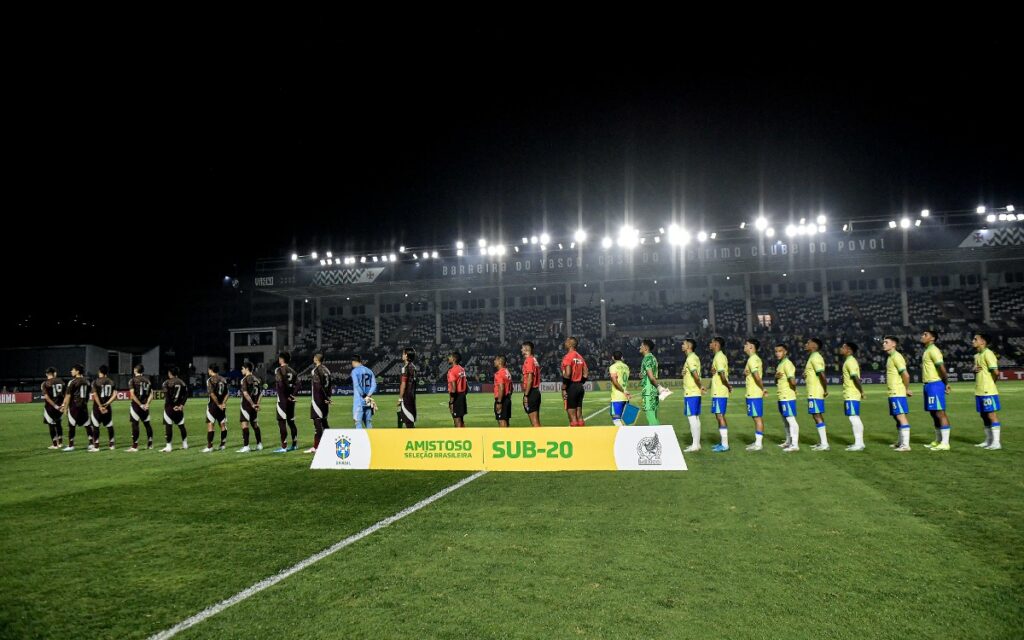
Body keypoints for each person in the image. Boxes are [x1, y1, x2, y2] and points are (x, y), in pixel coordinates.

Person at [920, 330, 952, 451]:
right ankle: (938, 440)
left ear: (932, 338)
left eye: (925, 335)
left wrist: (946, 383)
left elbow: (942, 368)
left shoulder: (933, 350)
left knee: (940, 412)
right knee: (934, 413)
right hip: (928, 385)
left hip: (935, 384)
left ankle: (945, 442)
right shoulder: (927, 350)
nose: (922, 336)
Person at [972, 333, 1002, 450]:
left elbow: (996, 372)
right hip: (979, 390)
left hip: (988, 390)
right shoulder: (977, 356)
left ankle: (996, 442)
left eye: (975, 339)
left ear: (983, 342)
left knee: (991, 415)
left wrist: (991, 384)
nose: (972, 341)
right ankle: (988, 440)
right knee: (984, 415)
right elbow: (979, 370)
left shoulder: (988, 354)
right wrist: (974, 369)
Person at [883, 335, 913, 452]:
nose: (883, 344)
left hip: (897, 392)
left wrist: (906, 389)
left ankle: (906, 445)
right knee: (897, 417)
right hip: (892, 392)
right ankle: (900, 442)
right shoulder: (890, 357)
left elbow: (906, 375)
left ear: (893, 344)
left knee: (901, 416)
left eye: (886, 342)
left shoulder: (897, 357)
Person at [804, 337, 829, 451]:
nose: (806, 344)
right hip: (813, 391)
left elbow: (822, 375)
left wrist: (825, 389)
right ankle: (822, 442)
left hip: (815, 391)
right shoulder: (812, 357)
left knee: (817, 415)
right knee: (816, 415)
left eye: (808, 343)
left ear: (814, 346)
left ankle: (824, 444)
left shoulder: (815, 357)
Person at [840, 342, 866, 451]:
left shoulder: (850, 361)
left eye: (843, 347)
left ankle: (859, 443)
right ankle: (859, 443)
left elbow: (856, 378)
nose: (841, 349)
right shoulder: (849, 361)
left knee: (853, 417)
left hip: (851, 393)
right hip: (850, 393)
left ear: (849, 350)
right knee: (854, 417)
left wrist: (862, 391)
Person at [774, 344, 800, 452]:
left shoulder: (787, 364)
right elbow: (778, 380)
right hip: (781, 396)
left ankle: (795, 445)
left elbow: (792, 380)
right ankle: (788, 441)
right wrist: (775, 377)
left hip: (787, 396)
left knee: (791, 419)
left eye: (780, 351)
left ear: (785, 352)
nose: (777, 353)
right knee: (785, 420)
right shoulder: (780, 364)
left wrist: (793, 390)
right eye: (776, 351)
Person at [709, 337, 732, 452]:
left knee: (720, 416)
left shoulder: (719, 357)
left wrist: (728, 386)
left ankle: (725, 444)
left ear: (716, 344)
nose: (710, 344)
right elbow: (719, 373)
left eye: (712, 342)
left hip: (720, 391)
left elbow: (722, 375)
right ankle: (723, 442)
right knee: (719, 416)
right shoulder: (718, 356)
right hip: (718, 391)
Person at [743, 339, 766, 451]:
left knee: (757, 418)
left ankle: (758, 444)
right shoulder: (752, 359)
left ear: (751, 347)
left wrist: (763, 388)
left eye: (746, 344)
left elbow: (757, 376)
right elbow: (749, 373)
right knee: (755, 417)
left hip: (754, 393)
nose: (745, 346)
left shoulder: (753, 359)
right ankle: (757, 442)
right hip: (752, 393)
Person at [681, 339, 704, 452]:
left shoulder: (690, 358)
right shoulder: (692, 358)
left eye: (684, 344)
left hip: (691, 392)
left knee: (692, 418)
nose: (682, 345)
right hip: (693, 392)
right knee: (695, 417)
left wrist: (700, 386)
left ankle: (695, 445)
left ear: (689, 346)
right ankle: (697, 444)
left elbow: (695, 374)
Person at [274, 352, 300, 452]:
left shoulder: (279, 370)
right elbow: (298, 384)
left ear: (281, 359)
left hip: (282, 400)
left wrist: (285, 396)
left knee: (282, 422)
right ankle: (294, 444)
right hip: (291, 400)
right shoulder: (293, 371)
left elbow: (280, 385)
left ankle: (284, 447)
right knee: (291, 422)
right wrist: (292, 395)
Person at [62, 364, 91, 451]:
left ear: (77, 371)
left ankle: (71, 445)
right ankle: (92, 443)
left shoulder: (72, 382)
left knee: (71, 425)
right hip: (83, 405)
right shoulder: (87, 381)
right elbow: (88, 394)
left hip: (74, 406)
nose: (71, 371)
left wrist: (65, 407)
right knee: (87, 425)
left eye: (73, 370)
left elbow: (68, 395)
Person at [561, 337, 589, 426]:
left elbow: (568, 373)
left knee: (572, 417)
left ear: (570, 344)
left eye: (566, 342)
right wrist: (580, 382)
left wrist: (564, 387)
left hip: (571, 386)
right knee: (579, 416)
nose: (564, 343)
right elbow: (586, 373)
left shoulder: (567, 357)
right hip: (580, 387)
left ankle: (575, 438)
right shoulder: (580, 357)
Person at [160, 366, 189, 452]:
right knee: (181, 425)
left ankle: (169, 446)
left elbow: (167, 396)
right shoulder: (182, 382)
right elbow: (186, 395)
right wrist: (181, 405)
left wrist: (172, 406)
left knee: (168, 425)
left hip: (170, 408)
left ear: (169, 373)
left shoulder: (166, 383)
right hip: (179, 408)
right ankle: (185, 444)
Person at [237, 360, 263, 452]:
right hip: (255, 406)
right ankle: (259, 444)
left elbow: (245, 393)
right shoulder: (257, 380)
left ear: (247, 369)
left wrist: (252, 404)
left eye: (242, 368)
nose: (241, 370)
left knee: (244, 424)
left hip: (247, 405)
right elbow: (261, 393)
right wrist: (257, 404)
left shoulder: (244, 380)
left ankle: (246, 446)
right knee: (255, 424)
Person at [309, 353, 332, 452]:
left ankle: (316, 447)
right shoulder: (327, 370)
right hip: (325, 400)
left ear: (316, 359)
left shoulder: (316, 370)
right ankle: (331, 442)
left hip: (318, 399)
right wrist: (328, 398)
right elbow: (330, 385)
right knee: (324, 422)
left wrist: (324, 397)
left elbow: (318, 386)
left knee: (317, 422)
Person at [128, 364, 154, 451]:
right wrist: (147, 404)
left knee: (135, 424)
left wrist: (140, 405)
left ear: (135, 370)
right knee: (147, 424)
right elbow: (151, 394)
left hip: (136, 405)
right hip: (145, 406)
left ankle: (134, 446)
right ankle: (150, 444)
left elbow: (132, 395)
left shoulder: (132, 380)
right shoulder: (148, 380)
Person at [90, 364, 117, 451]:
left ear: (99, 372)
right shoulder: (112, 382)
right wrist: (107, 404)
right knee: (109, 425)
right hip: (107, 407)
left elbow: (95, 396)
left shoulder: (95, 382)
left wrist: (100, 406)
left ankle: (96, 446)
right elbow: (115, 395)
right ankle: (111, 445)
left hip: (97, 408)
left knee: (96, 426)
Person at [203, 364, 229, 452]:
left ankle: (210, 447)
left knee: (211, 424)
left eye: (208, 370)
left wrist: (218, 404)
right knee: (222, 425)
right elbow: (227, 393)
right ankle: (223, 445)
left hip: (213, 405)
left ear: (211, 370)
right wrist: (223, 403)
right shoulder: (223, 379)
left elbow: (212, 394)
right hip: (222, 406)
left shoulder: (210, 380)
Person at [351, 354, 378, 429]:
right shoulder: (369, 371)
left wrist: (364, 396)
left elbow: (357, 385)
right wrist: (368, 396)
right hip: (368, 401)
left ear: (354, 362)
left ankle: (360, 440)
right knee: (368, 422)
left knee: (357, 421)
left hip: (359, 401)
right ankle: (371, 439)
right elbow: (374, 385)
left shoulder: (354, 371)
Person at [41, 367, 65, 450]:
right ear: (54, 373)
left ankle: (55, 445)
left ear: (47, 374)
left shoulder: (44, 383)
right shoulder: (61, 381)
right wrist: (63, 405)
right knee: (59, 424)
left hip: (50, 408)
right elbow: (66, 394)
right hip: (61, 407)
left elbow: (47, 397)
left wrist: (55, 406)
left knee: (51, 425)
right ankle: (61, 443)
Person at [639, 339, 661, 425]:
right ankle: (659, 436)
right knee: (654, 417)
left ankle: (659, 437)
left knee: (651, 419)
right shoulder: (653, 358)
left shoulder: (647, 359)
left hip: (648, 392)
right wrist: (643, 375)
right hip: (654, 392)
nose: (640, 347)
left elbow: (651, 377)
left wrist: (659, 387)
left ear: (646, 348)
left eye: (641, 345)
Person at [520, 341, 542, 426]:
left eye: (522, 348)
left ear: (526, 349)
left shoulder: (528, 360)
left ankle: (540, 438)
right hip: (535, 391)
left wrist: (526, 395)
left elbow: (530, 379)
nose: (521, 350)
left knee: (534, 422)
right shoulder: (534, 359)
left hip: (531, 392)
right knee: (536, 421)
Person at [608, 351, 631, 427]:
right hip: (625, 397)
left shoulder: (613, 367)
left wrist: (623, 391)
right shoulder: (626, 367)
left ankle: (623, 436)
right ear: (622, 357)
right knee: (624, 420)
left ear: (612, 358)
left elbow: (615, 381)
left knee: (616, 420)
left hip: (617, 397)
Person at [397, 348, 417, 428]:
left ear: (407, 355)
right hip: (412, 396)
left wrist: (400, 398)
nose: (402, 355)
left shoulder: (405, 368)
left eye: (403, 354)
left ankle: (410, 439)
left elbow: (403, 384)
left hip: (406, 397)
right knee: (411, 419)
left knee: (408, 421)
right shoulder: (413, 367)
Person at [447, 352, 467, 427]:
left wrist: (451, 401)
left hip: (456, 397)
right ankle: (464, 435)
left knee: (457, 420)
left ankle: (459, 437)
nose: (448, 358)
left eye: (450, 357)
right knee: (461, 419)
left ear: (454, 359)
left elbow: (453, 388)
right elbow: (466, 386)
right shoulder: (462, 369)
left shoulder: (451, 371)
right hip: (462, 395)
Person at [493, 355, 512, 427]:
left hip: (502, 399)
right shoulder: (507, 372)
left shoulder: (499, 373)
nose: (494, 361)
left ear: (500, 362)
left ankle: (503, 438)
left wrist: (499, 402)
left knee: (502, 421)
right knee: (506, 421)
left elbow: (501, 387)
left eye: (495, 360)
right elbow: (511, 387)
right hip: (507, 398)